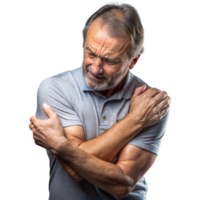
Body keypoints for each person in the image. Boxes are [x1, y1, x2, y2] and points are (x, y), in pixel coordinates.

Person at [27, 1, 173, 199]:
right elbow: (75, 171)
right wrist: (136, 119)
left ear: (133, 61)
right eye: (90, 53)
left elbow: (122, 184)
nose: (95, 69)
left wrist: (60, 145)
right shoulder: (54, 88)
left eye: (110, 60)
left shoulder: (152, 103)